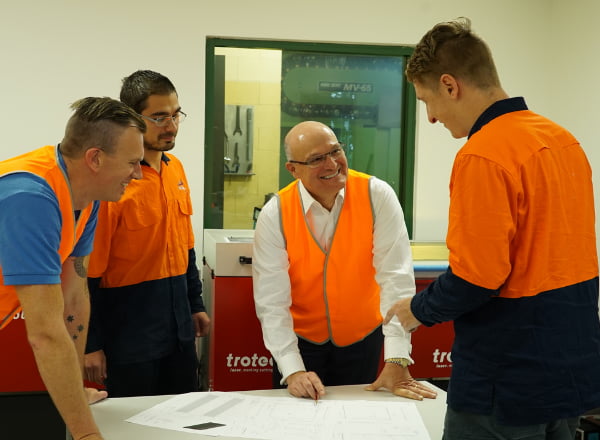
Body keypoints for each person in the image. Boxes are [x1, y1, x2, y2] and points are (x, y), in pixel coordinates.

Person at [385, 17, 600, 440]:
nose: (429, 118)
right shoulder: (562, 140)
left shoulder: (483, 155)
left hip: (506, 379)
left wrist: (417, 311)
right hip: (570, 366)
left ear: (451, 85)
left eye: (426, 100)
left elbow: (477, 277)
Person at [252, 120, 438, 402]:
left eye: (335, 151)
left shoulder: (376, 195)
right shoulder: (275, 213)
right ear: (293, 169)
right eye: (316, 159)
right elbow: (271, 300)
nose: (332, 164)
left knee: (355, 420)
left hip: (362, 339)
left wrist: (398, 356)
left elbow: (395, 278)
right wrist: (292, 371)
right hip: (301, 341)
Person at [0, 97, 145, 440]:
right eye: (132, 162)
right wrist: (86, 435)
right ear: (95, 158)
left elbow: (75, 298)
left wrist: (77, 389)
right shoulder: (30, 197)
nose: (138, 173)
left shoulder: (87, 197)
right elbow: (46, 334)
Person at [84, 70, 210, 397]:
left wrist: (195, 304)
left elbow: (186, 247)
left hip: (179, 329)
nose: (171, 126)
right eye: (159, 117)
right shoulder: (114, 181)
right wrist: (91, 342)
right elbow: (87, 273)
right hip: (129, 335)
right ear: (132, 119)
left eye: (176, 114)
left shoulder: (176, 170)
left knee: (182, 414)